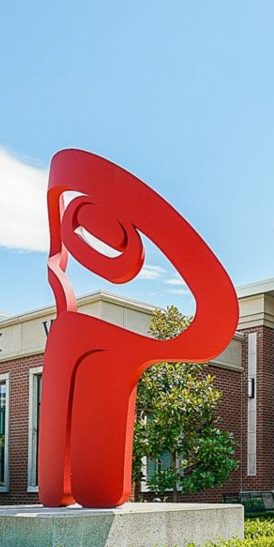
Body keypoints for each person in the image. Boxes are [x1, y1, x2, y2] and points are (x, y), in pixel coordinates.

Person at [37, 150, 238, 508]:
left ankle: (85, 486)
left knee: (101, 364)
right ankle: (61, 485)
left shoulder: (85, 332)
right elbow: (56, 253)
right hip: (71, 334)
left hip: (80, 336)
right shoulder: (72, 327)